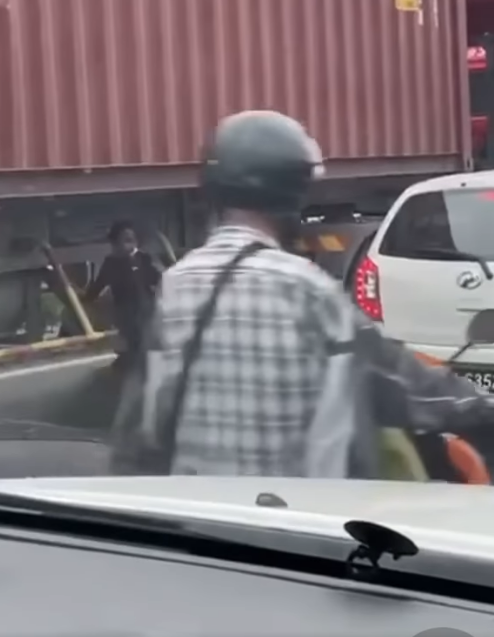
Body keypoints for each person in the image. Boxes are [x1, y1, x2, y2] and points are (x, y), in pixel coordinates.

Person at [142, 109, 494, 478]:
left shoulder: (175, 284)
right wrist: (483, 406)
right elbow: (413, 387)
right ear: (292, 193)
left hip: (197, 519)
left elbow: (145, 420)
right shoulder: (307, 289)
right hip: (296, 522)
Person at [84, 220, 161, 379]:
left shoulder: (144, 258)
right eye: (123, 241)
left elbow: (159, 279)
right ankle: (130, 364)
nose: (128, 245)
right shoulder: (111, 262)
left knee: (142, 341)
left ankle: (136, 367)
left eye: (131, 240)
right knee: (133, 340)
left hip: (146, 309)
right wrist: (86, 299)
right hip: (125, 311)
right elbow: (99, 284)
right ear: (115, 244)